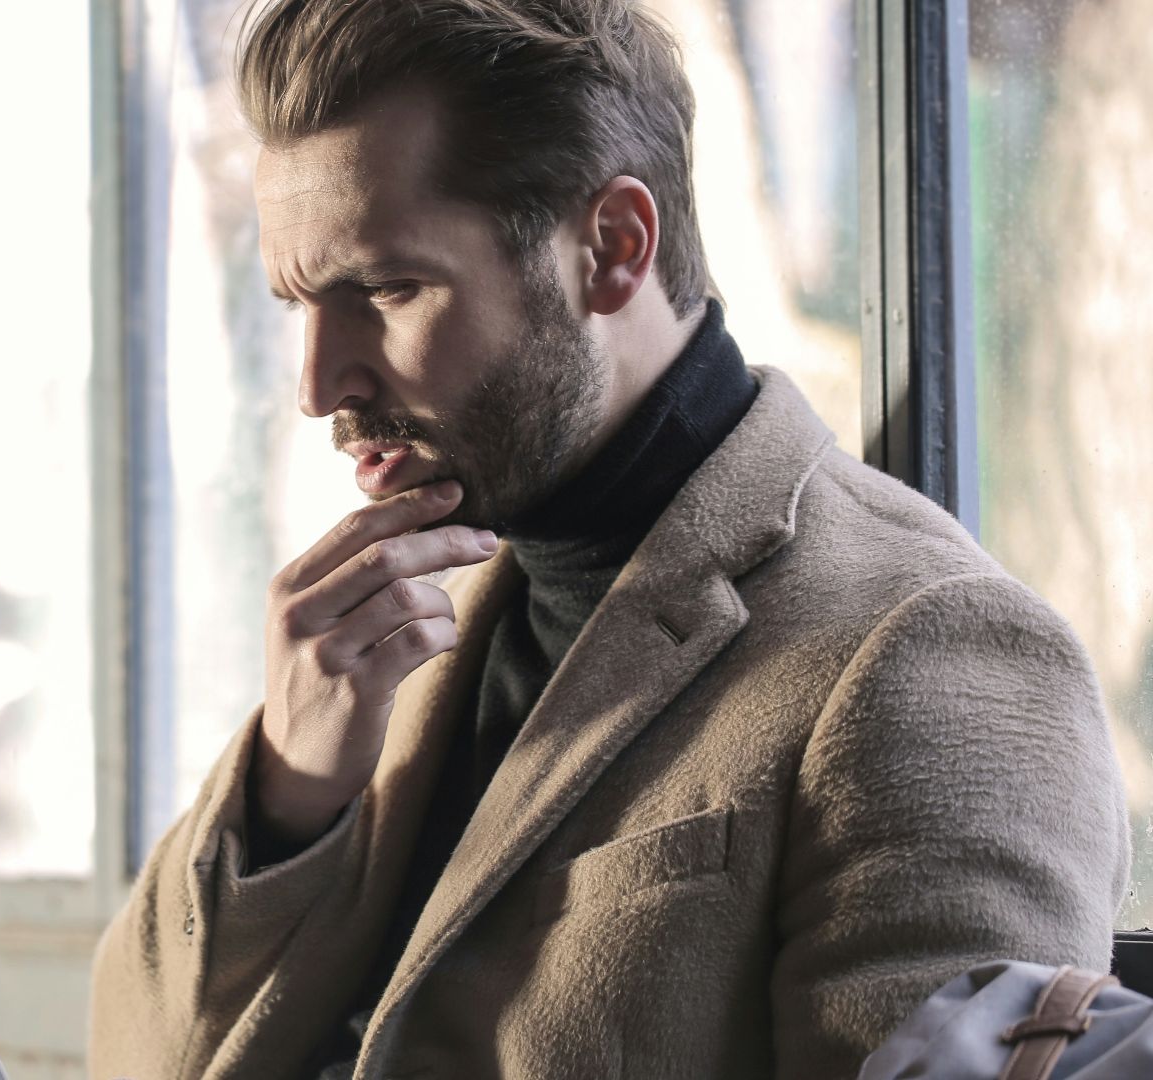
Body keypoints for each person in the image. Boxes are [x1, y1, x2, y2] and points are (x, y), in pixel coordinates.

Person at [85, 1, 1130, 1078]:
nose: (319, 386)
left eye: (389, 288)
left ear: (614, 248)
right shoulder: (404, 612)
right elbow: (131, 1057)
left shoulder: (935, 651)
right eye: (301, 303)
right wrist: (291, 792)